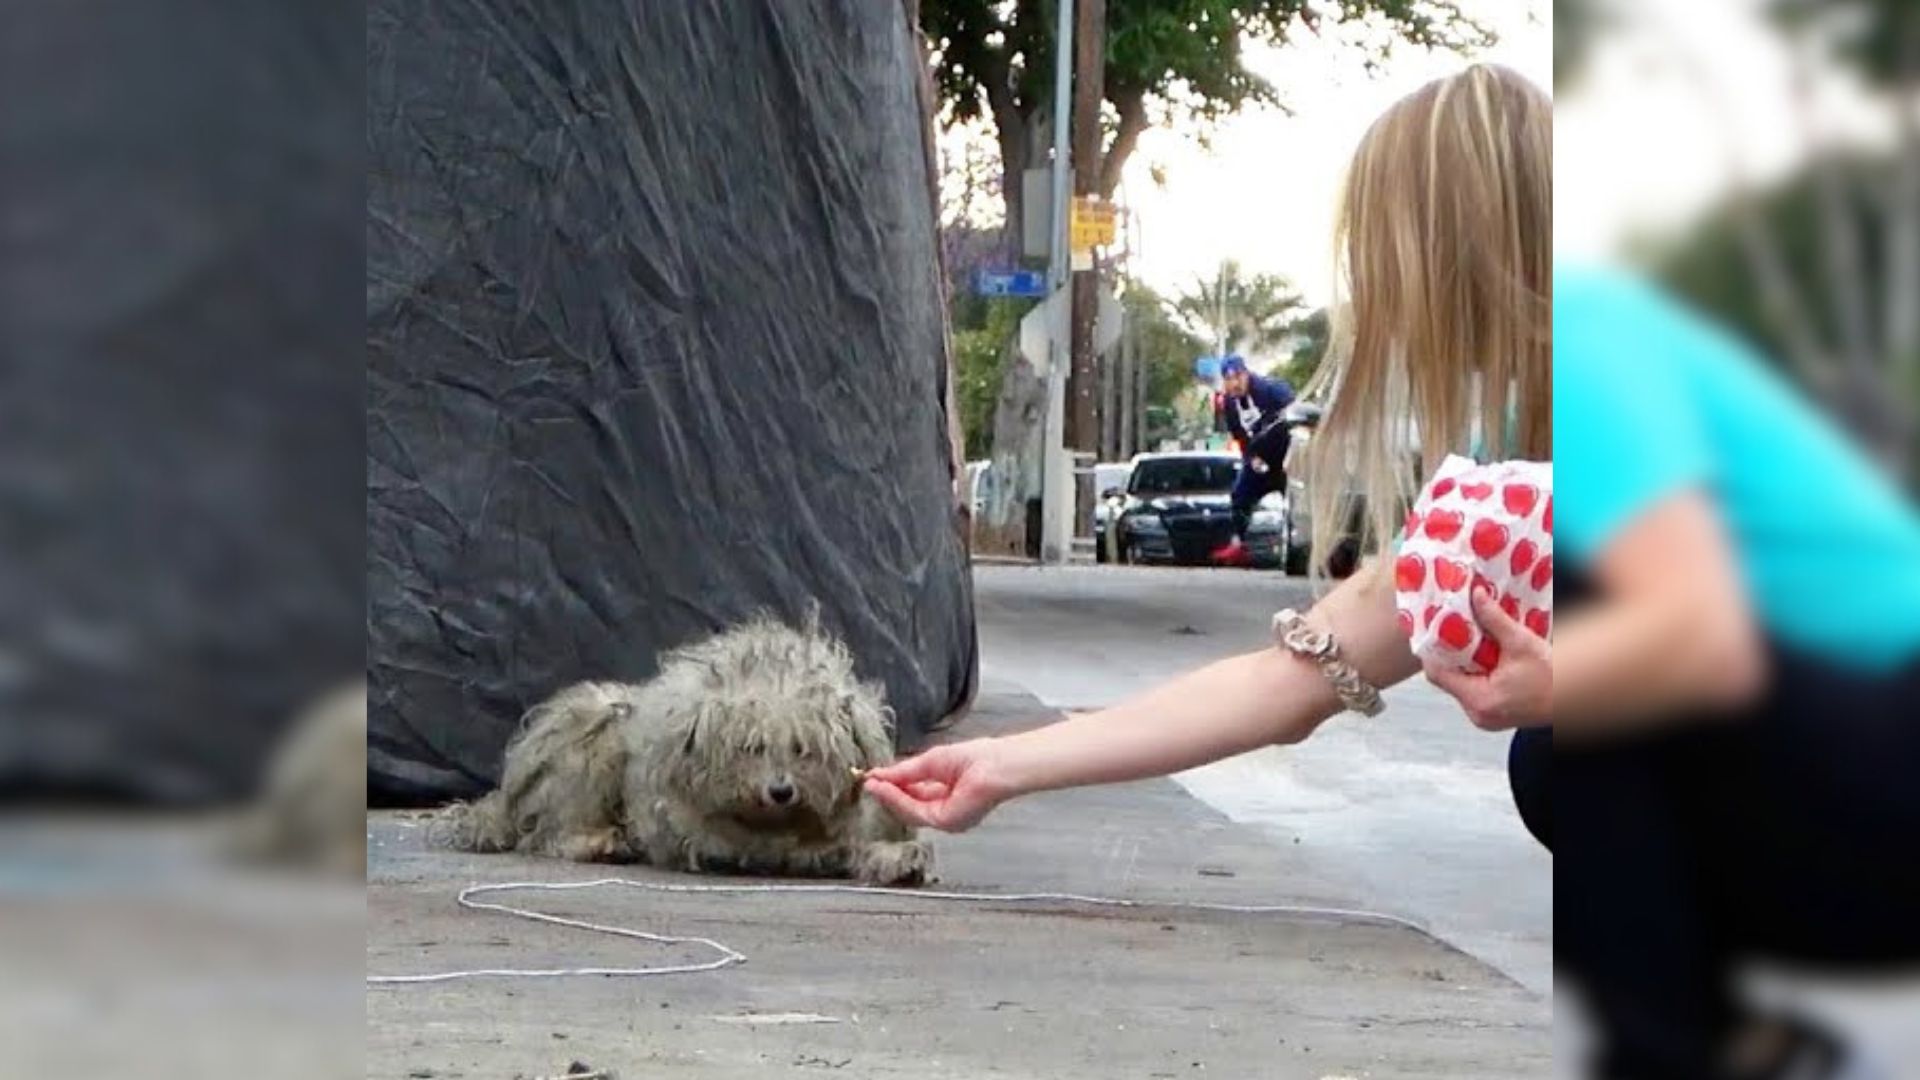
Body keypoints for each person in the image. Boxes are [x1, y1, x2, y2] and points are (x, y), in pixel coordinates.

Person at [1211, 356, 1295, 564]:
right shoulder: (1230, 404)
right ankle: (1241, 544)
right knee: (1240, 495)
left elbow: (1295, 416)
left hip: (1288, 458)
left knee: (1295, 501)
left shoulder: (1272, 390)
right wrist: (1251, 456)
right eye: (1229, 378)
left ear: (1246, 374)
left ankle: (1298, 544)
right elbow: (1239, 435)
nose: (1235, 383)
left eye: (1238, 376)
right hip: (1260, 460)